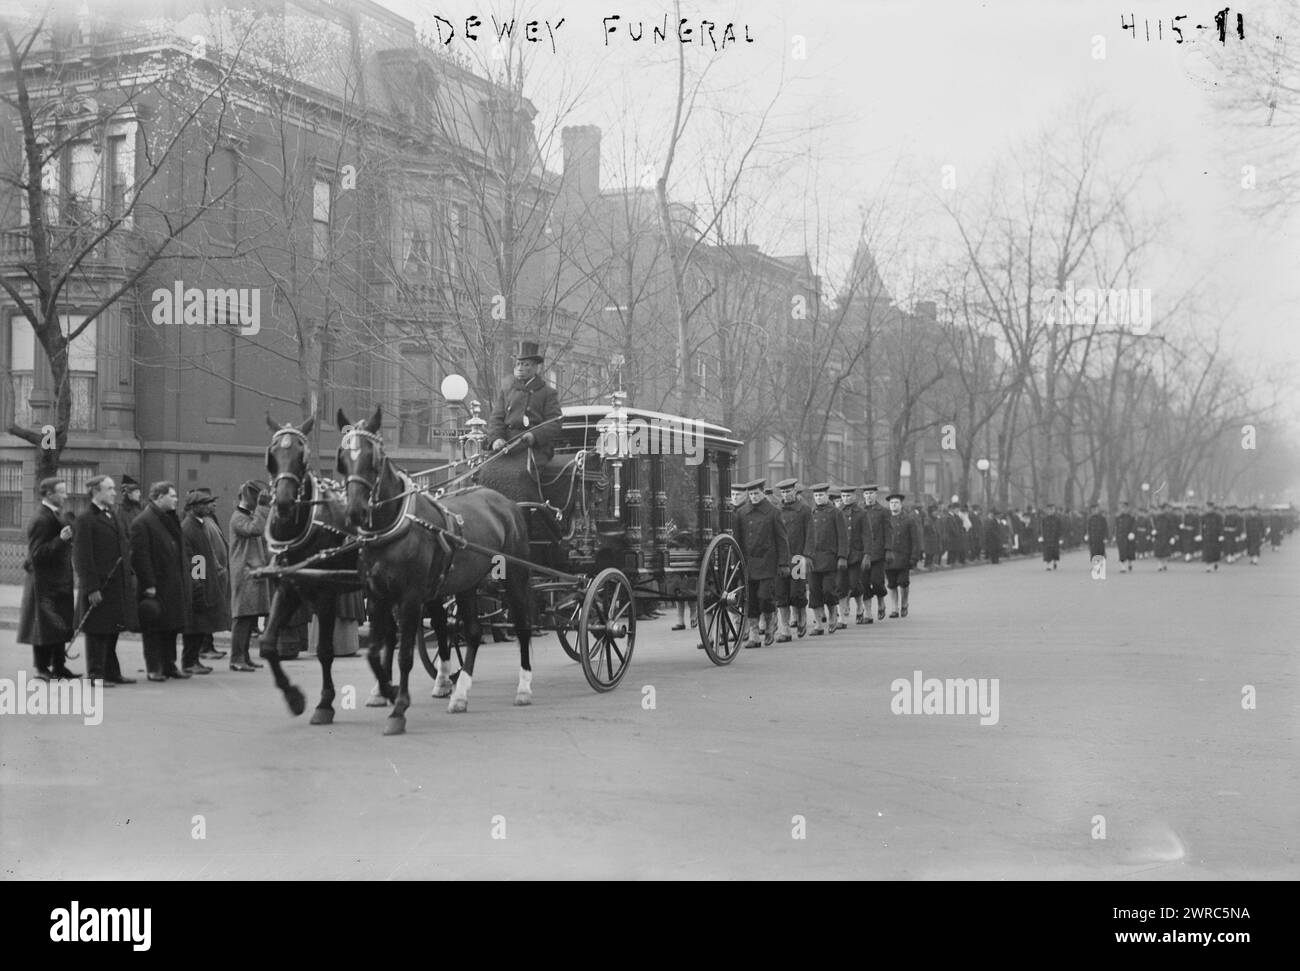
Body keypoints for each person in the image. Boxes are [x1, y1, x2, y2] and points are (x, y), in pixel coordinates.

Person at [72, 475, 136, 685]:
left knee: (111, 630)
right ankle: (96, 674)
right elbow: (82, 557)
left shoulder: (113, 516)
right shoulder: (85, 519)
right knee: (96, 631)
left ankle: (111, 672)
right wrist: (91, 588)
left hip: (115, 585)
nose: (114, 493)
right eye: (109, 489)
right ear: (96, 492)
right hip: (98, 586)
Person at [17, 477, 79, 681]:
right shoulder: (41, 519)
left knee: (58, 624)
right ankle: (42, 668)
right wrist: (60, 540)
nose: (66, 495)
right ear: (49, 494)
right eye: (61, 492)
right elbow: (36, 555)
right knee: (43, 626)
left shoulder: (55, 514)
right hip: (44, 583)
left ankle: (59, 666)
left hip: (57, 581)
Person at [130, 481, 193, 681]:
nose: (176, 499)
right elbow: (140, 556)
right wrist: (149, 584)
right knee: (154, 628)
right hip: (156, 586)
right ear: (159, 497)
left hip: (173, 583)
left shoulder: (169, 518)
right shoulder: (143, 522)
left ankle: (169, 665)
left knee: (172, 627)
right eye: (172, 496)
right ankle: (154, 667)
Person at [732, 479, 791, 648]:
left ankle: (770, 626)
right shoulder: (742, 513)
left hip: (767, 563)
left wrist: (783, 563)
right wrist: (737, 564)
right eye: (751, 494)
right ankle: (754, 634)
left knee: (765, 597)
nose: (754, 497)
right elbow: (738, 541)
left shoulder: (773, 512)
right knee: (750, 601)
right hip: (748, 563)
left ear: (763, 493)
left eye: (756, 493)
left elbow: (781, 539)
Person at [486, 340, 563, 463]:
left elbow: (554, 423)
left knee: (519, 476)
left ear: (535, 368)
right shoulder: (507, 390)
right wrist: (497, 439)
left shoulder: (548, 393)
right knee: (486, 473)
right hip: (507, 445)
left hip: (535, 448)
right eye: (518, 364)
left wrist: (534, 436)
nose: (520, 368)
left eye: (525, 364)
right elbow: (496, 419)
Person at [181, 489, 230, 674]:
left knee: (201, 626)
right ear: (194, 508)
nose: (209, 506)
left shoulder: (199, 525)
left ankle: (194, 661)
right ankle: (189, 662)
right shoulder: (189, 527)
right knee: (194, 626)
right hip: (198, 584)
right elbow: (194, 558)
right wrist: (198, 583)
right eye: (204, 503)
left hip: (205, 581)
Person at [228, 480, 270, 671]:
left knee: (250, 617)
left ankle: (244, 656)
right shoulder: (238, 518)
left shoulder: (249, 516)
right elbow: (256, 529)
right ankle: (236, 659)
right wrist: (262, 507)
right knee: (242, 617)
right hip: (244, 573)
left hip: (252, 572)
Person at [803, 483, 847, 637]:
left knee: (828, 590)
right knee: (814, 592)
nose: (818, 498)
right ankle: (819, 624)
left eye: (821, 495)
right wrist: (805, 555)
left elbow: (842, 536)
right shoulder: (811, 513)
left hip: (830, 558)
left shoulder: (835, 513)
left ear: (827, 496)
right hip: (813, 559)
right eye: (816, 495)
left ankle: (833, 614)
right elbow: (806, 537)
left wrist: (842, 556)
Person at [773, 477, 810, 641]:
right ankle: (785, 629)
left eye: (789, 491)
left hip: (798, 558)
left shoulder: (804, 510)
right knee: (781, 595)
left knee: (797, 593)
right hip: (781, 559)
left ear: (795, 491)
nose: (786, 494)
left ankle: (802, 618)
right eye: (783, 492)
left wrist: (807, 555)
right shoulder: (776, 510)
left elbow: (810, 534)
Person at [883, 492, 921, 617]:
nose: (894, 505)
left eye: (896, 503)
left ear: (901, 504)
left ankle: (904, 604)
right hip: (889, 558)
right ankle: (894, 608)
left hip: (904, 557)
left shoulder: (909, 520)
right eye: (892, 503)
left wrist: (914, 557)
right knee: (892, 584)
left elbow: (915, 540)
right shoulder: (886, 519)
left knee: (903, 583)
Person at [859, 484, 888, 623]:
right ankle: (868, 613)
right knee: (863, 583)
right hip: (862, 553)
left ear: (876, 495)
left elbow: (889, 532)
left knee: (877, 582)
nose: (869, 496)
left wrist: (888, 550)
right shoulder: (859, 511)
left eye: (871, 493)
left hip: (877, 553)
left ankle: (881, 601)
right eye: (866, 493)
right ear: (863, 495)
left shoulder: (882, 511)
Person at [1201, 500, 1224, 572]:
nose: (1208, 509)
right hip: (1207, 536)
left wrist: (1221, 535)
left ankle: (1215, 563)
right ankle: (1208, 567)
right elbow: (1201, 526)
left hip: (1215, 536)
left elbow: (1221, 526)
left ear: (1212, 508)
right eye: (1207, 507)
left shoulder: (1218, 516)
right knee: (1207, 551)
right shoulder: (1204, 516)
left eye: (1210, 507)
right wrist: (1200, 534)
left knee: (1215, 551)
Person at [1039, 502, 1062, 570]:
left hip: (1055, 538)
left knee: (1054, 552)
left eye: (1051, 509)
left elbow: (1060, 528)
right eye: (1048, 510)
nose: (1050, 511)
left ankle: (1054, 562)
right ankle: (1048, 565)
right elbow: (1042, 528)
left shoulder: (1057, 519)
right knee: (1047, 552)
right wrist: (1041, 536)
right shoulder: (1044, 519)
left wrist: (1060, 537)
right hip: (1047, 538)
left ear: (1054, 510)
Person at [1115, 500, 1137, 572]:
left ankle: (1130, 563)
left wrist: (1132, 533)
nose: (1124, 509)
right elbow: (1116, 527)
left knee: (1130, 552)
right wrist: (1114, 536)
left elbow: (1134, 526)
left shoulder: (1131, 517)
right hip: (1121, 537)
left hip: (1129, 537)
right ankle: (1123, 567)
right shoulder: (1118, 518)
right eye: (1122, 508)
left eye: (1125, 508)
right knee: (1122, 552)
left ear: (1128, 508)